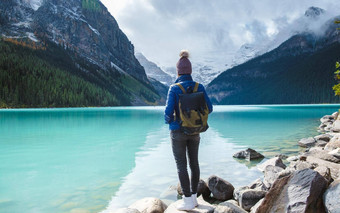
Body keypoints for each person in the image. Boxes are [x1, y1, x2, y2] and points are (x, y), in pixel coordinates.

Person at [164, 50, 213, 210]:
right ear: (190, 71)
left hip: (178, 132)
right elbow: (210, 108)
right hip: (195, 131)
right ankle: (194, 197)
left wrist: (171, 121)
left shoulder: (174, 88)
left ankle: (186, 201)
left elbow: (167, 112)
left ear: (178, 71)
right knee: (194, 163)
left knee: (181, 165)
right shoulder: (200, 86)